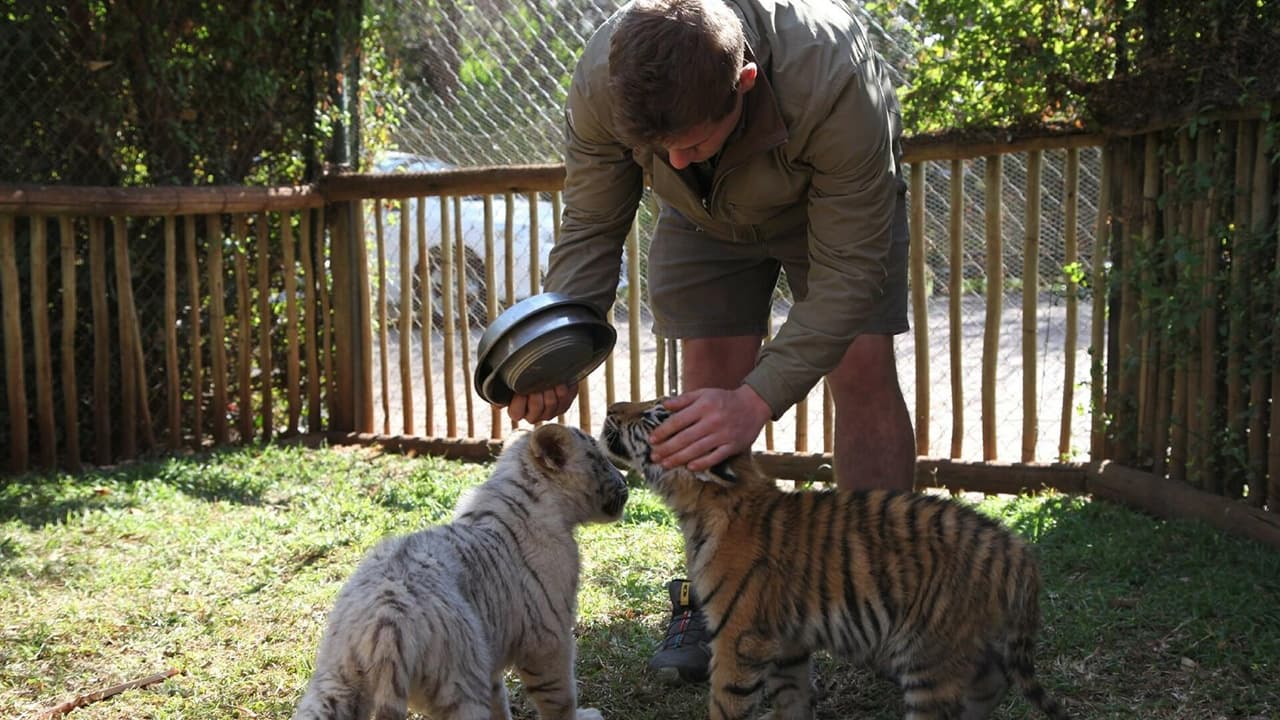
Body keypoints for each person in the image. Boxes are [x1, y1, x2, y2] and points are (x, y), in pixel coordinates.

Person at [497, 0, 915, 685]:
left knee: (861, 367)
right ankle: (713, 598)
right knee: (706, 389)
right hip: (701, 216)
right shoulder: (609, 76)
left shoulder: (833, 79)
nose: (674, 157)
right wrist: (559, 353)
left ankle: (885, 599)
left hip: (829, 208)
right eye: (659, 147)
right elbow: (592, 227)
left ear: (744, 83)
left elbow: (850, 275)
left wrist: (759, 399)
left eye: (690, 139)